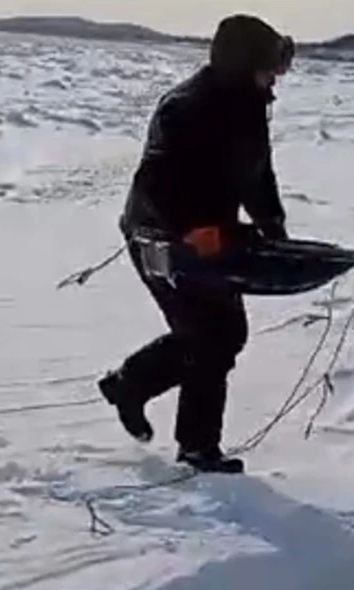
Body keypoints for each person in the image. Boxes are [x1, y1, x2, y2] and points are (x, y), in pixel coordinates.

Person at [97, 14, 295, 474]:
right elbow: (155, 182)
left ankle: (132, 386)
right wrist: (184, 231)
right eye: (269, 69)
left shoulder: (245, 104)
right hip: (159, 240)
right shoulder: (187, 107)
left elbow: (256, 176)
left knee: (217, 334)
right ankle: (196, 446)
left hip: (205, 240)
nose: (274, 82)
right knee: (215, 334)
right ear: (244, 63)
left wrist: (273, 227)